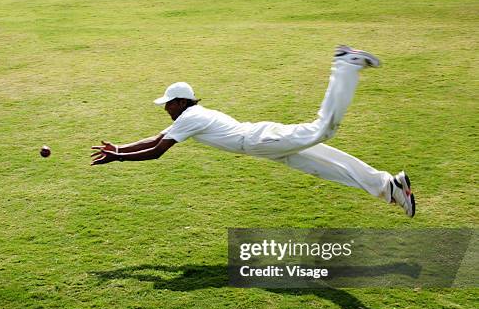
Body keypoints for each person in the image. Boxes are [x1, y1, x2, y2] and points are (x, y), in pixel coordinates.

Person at [90, 45, 415, 217]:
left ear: (179, 102)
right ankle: (390, 187)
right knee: (325, 165)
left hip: (259, 140)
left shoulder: (189, 117)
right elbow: (155, 139)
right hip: (262, 144)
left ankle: (346, 63)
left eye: (167, 103)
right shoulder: (189, 116)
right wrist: (119, 147)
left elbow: (158, 151)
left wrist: (119, 157)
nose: (164, 108)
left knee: (323, 130)